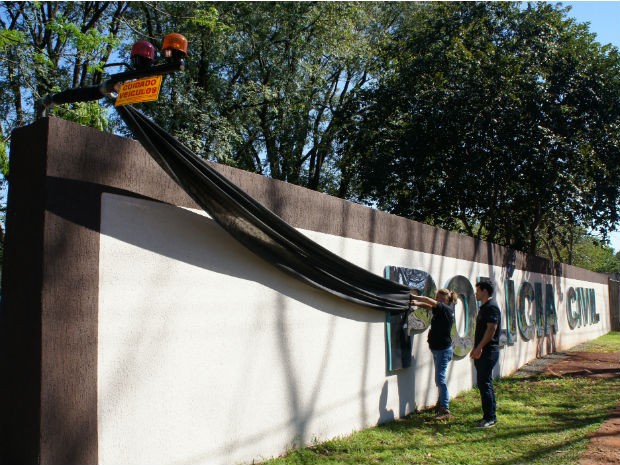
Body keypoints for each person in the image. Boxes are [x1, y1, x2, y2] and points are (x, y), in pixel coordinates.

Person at [410, 288, 457, 419]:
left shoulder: (446, 308)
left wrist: (415, 297)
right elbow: (429, 306)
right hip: (439, 349)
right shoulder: (441, 309)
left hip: (443, 350)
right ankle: (440, 404)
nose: (436, 300)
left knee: (440, 379)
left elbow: (428, 301)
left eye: (437, 297)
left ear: (444, 299)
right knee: (440, 379)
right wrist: (416, 303)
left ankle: (445, 410)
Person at [470, 281, 501, 428]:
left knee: (485, 384)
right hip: (482, 351)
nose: (476, 293)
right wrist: (475, 347)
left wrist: (480, 347)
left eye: (478, 290)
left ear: (485, 291)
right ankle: (489, 416)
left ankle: (489, 418)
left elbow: (491, 330)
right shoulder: (484, 308)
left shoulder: (491, 308)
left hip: (488, 352)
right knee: (484, 384)